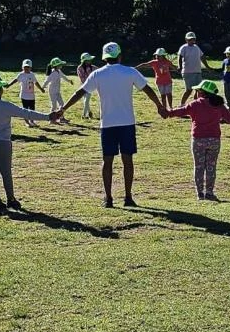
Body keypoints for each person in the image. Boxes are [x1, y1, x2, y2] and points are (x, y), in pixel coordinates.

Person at [55, 41, 165, 208]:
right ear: (120, 56)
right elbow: (147, 89)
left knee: (107, 161)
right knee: (127, 160)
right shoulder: (130, 72)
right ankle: (128, 197)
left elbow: (80, 92)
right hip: (127, 123)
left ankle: (108, 198)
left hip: (107, 124)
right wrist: (159, 106)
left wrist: (63, 109)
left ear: (104, 57)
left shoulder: (97, 74)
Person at [0, 76, 52, 213]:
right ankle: (11, 199)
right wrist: (48, 116)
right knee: (6, 172)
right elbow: (27, 113)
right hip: (3, 143)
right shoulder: (6, 106)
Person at [165, 80, 230, 200]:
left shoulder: (195, 104)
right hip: (214, 140)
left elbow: (180, 111)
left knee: (199, 167)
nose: (196, 92)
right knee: (211, 166)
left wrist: (167, 113)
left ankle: (200, 193)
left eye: (198, 90)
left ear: (202, 92)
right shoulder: (219, 106)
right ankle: (209, 192)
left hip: (198, 140)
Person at [177, 32, 213, 105]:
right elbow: (180, 57)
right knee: (189, 90)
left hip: (197, 72)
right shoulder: (184, 47)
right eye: (190, 39)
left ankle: (196, 105)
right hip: (187, 72)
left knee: (199, 90)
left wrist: (207, 67)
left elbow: (202, 57)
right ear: (186, 40)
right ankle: (182, 105)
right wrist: (180, 66)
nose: (191, 41)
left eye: (193, 39)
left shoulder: (196, 47)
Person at [9, 60, 45, 127]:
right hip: (24, 95)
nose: (26, 68)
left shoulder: (32, 75)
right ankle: (27, 122)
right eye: (25, 67)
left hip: (31, 95)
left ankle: (32, 121)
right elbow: (15, 80)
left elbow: (36, 82)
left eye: (28, 67)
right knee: (25, 109)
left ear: (30, 68)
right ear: (22, 67)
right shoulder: (21, 75)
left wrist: (41, 89)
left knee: (32, 109)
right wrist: (9, 85)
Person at [76, 52, 97, 120]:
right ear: (84, 61)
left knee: (86, 101)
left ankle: (84, 115)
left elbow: (100, 71)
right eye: (88, 60)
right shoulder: (79, 68)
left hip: (90, 86)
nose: (90, 61)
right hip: (83, 86)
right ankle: (89, 112)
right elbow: (81, 78)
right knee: (86, 101)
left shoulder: (93, 67)